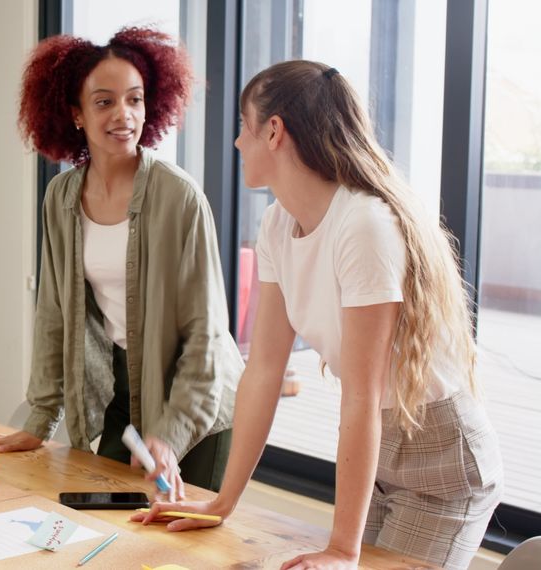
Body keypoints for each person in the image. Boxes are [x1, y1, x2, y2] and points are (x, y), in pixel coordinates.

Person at [133, 60, 502, 570]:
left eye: (244, 126)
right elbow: (262, 371)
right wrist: (224, 502)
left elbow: (362, 397)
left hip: (441, 458)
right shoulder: (278, 225)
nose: (238, 143)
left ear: (274, 131)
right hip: (382, 452)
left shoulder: (365, 226)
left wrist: (342, 550)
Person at [0, 27, 244, 499]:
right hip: (127, 388)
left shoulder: (179, 197)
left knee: (177, 535)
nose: (124, 115)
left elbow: (207, 334)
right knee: (100, 517)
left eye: (135, 100)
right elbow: (53, 313)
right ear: (75, 114)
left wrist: (171, 435)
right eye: (104, 102)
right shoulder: (61, 197)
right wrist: (39, 419)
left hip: (198, 399)